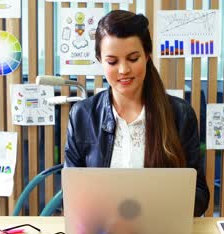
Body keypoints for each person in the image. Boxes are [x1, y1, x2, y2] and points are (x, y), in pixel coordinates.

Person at [64, 10, 209, 217]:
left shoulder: (180, 115)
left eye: (133, 58)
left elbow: (199, 194)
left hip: (162, 232)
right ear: (100, 60)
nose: (123, 70)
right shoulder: (82, 116)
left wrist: (165, 209)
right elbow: (71, 193)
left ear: (147, 55)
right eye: (112, 62)